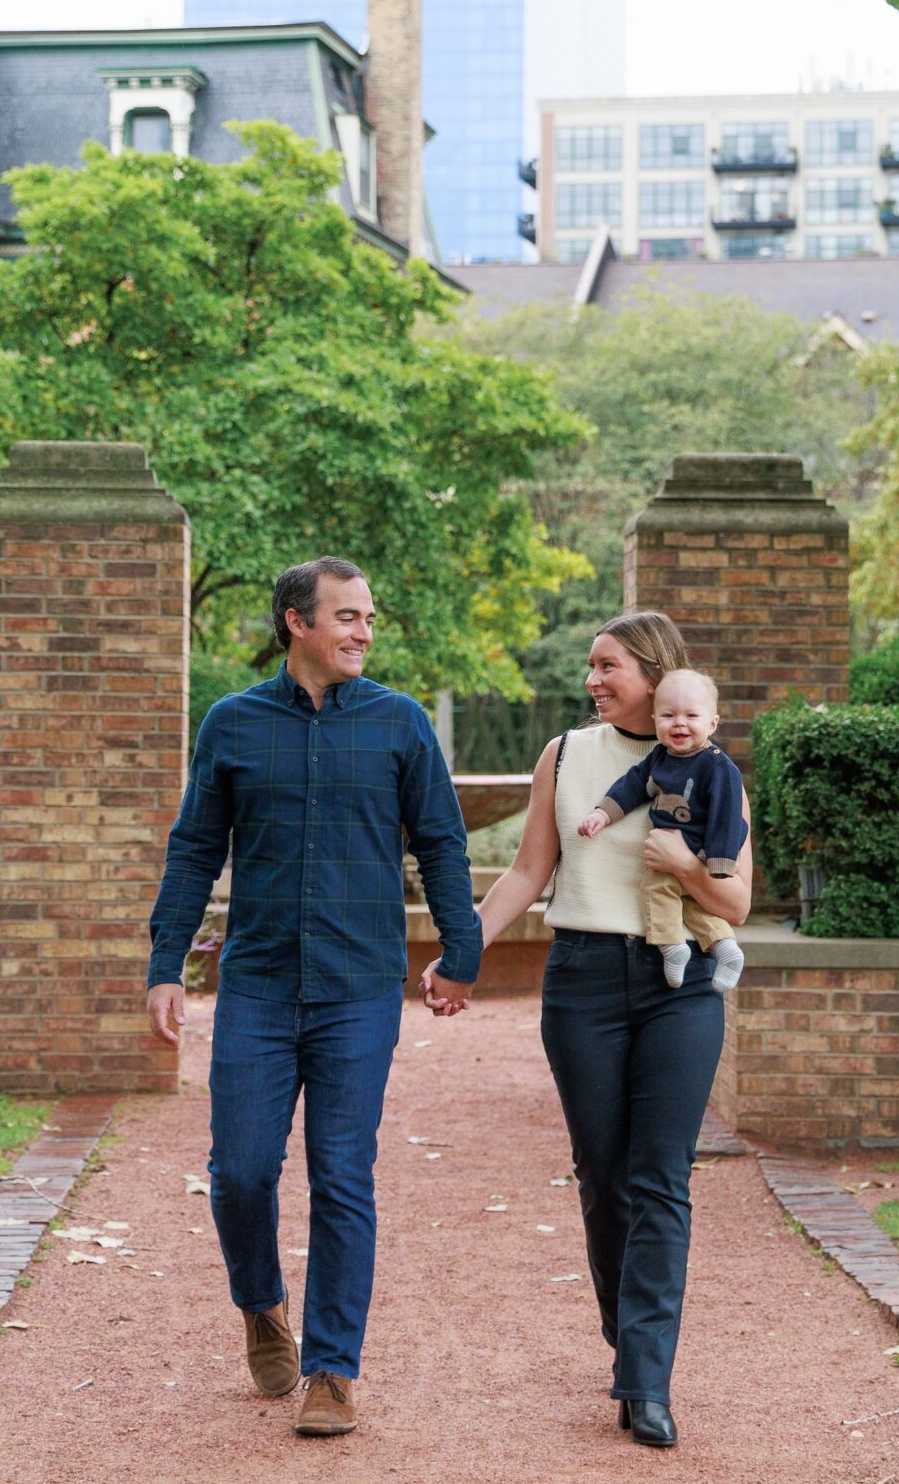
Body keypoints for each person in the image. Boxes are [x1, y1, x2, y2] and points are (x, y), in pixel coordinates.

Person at [144, 557, 480, 1440]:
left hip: (359, 989)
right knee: (241, 1171)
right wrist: (165, 960)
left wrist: (463, 947)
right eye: (348, 616)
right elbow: (192, 851)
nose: (364, 631)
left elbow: (442, 843)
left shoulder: (401, 724)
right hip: (256, 984)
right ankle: (261, 1304)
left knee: (342, 1175)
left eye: (370, 616)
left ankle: (333, 1370)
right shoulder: (233, 724)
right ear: (298, 622)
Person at [420, 611, 750, 1449]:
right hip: (584, 984)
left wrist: (681, 865)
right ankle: (628, 1330)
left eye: (609, 666)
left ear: (654, 669)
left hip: (683, 985)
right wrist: (463, 953)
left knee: (661, 1174)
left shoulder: (713, 769)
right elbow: (531, 869)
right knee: (603, 1172)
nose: (594, 680)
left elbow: (737, 901)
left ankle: (646, 1378)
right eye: (590, 667)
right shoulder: (565, 755)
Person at [576, 668, 748, 990]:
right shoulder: (660, 759)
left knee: (656, 887)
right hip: (681, 853)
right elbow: (632, 786)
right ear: (655, 719)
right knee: (694, 904)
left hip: (703, 850)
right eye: (668, 715)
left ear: (712, 723)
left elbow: (727, 815)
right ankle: (726, 948)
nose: (679, 723)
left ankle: (671, 947)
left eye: (691, 715)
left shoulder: (719, 766)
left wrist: (719, 863)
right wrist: (603, 813)